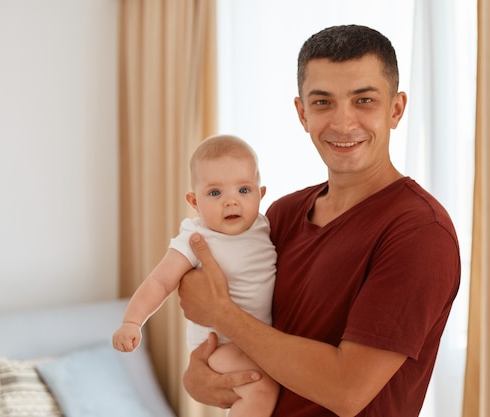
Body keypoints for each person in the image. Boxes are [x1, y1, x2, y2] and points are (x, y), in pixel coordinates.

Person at [178, 25, 461, 417]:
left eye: (364, 100)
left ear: (395, 109)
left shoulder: (420, 232)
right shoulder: (280, 215)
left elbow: (347, 390)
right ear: (302, 113)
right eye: (324, 102)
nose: (344, 123)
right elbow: (234, 339)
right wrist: (196, 376)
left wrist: (221, 312)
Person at [112, 134, 279, 417]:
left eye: (244, 190)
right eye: (215, 193)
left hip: (256, 340)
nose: (231, 202)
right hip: (219, 346)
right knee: (260, 385)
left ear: (261, 194)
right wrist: (132, 321)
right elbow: (160, 281)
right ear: (194, 201)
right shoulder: (196, 236)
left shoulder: (264, 227)